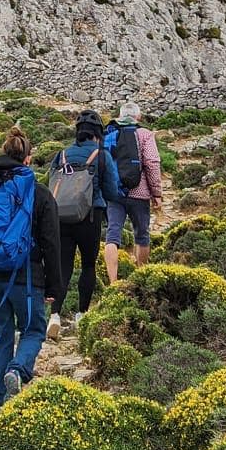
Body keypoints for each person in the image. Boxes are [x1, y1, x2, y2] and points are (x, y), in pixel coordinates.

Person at [0, 124, 64, 407]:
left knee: (1, 336)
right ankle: (18, 370)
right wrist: (54, 286)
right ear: (28, 158)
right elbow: (52, 245)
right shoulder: (40, 194)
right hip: (26, 277)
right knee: (33, 330)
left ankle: (0, 401)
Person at [45, 110, 122, 340]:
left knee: (63, 266)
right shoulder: (102, 155)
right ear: (98, 133)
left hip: (61, 217)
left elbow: (50, 183)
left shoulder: (62, 155)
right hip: (90, 217)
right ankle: (81, 314)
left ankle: (55, 315)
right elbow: (111, 190)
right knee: (88, 265)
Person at [104, 99, 164, 279]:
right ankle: (141, 275)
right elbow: (152, 163)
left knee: (112, 234)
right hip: (140, 192)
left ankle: (113, 282)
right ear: (138, 117)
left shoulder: (109, 134)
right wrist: (157, 193)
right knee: (142, 234)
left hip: (115, 193)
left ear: (120, 116)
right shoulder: (145, 134)